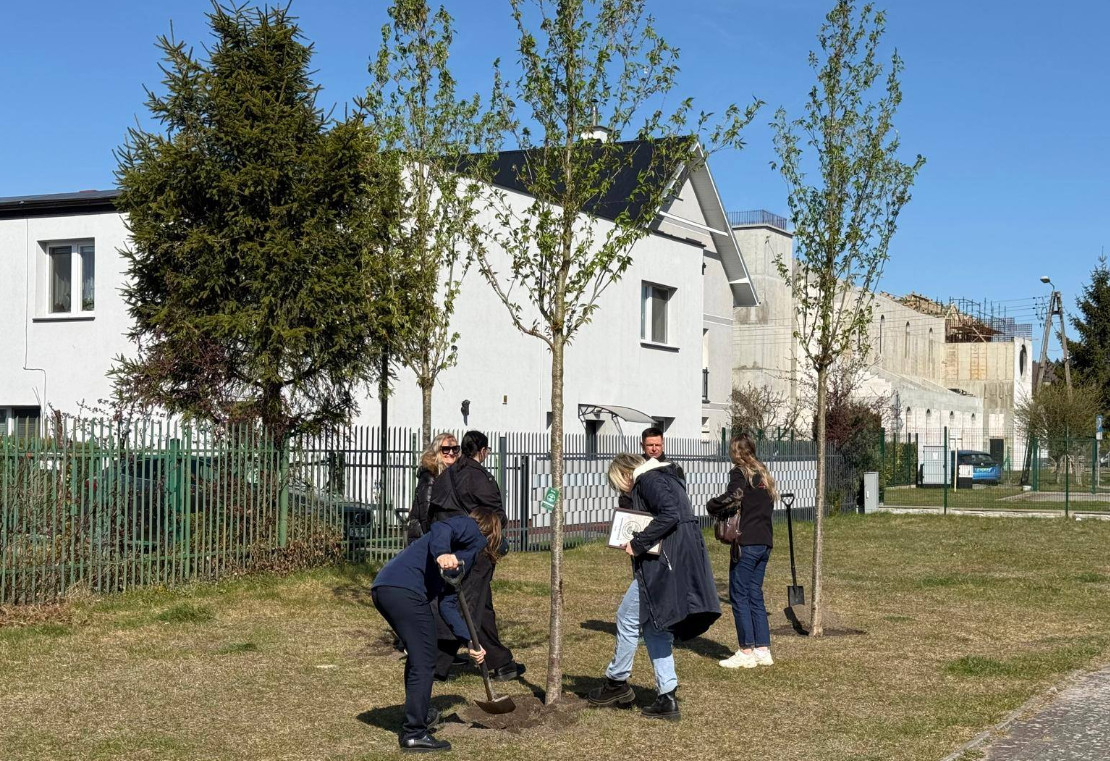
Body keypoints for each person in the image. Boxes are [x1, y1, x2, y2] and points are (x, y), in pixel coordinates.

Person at [588, 453, 720, 720]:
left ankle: (617, 681)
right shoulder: (666, 477)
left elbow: (669, 515)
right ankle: (667, 695)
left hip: (664, 565)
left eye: (620, 484)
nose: (623, 490)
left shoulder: (648, 480)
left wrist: (637, 543)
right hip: (674, 560)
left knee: (627, 617)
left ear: (626, 474)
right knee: (655, 625)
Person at [371, 508, 501, 753]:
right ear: (492, 531)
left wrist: (469, 641)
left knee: (420, 657)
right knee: (425, 660)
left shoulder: (465, 555)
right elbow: (442, 527)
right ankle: (414, 733)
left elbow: (448, 604)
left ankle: (418, 717)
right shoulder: (470, 527)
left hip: (387, 588)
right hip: (404, 589)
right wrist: (442, 553)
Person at [429, 430, 525, 682]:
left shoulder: (446, 476)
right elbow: (496, 516)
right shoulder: (480, 478)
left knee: (479, 605)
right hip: (475, 548)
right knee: (467, 604)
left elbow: (433, 512)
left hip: (447, 546)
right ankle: (437, 666)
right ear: (483, 451)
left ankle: (500, 661)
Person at [711, 433, 778, 669]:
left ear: (736, 452)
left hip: (746, 542)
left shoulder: (739, 472)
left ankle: (745, 650)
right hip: (765, 542)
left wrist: (713, 504)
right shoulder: (764, 475)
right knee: (755, 594)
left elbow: (735, 495)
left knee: (739, 595)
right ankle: (762, 649)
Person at [406, 433, 460, 545]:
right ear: (437, 451)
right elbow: (426, 512)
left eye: (455, 449)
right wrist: (436, 540)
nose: (451, 453)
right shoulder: (430, 475)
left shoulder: (454, 475)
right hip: (426, 537)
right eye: (445, 449)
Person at [618, 427, 685, 511]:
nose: (654, 449)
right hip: (638, 515)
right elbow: (625, 494)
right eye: (649, 445)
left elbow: (680, 497)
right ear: (642, 446)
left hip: (665, 516)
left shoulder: (673, 468)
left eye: (657, 445)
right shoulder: (634, 466)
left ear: (662, 445)